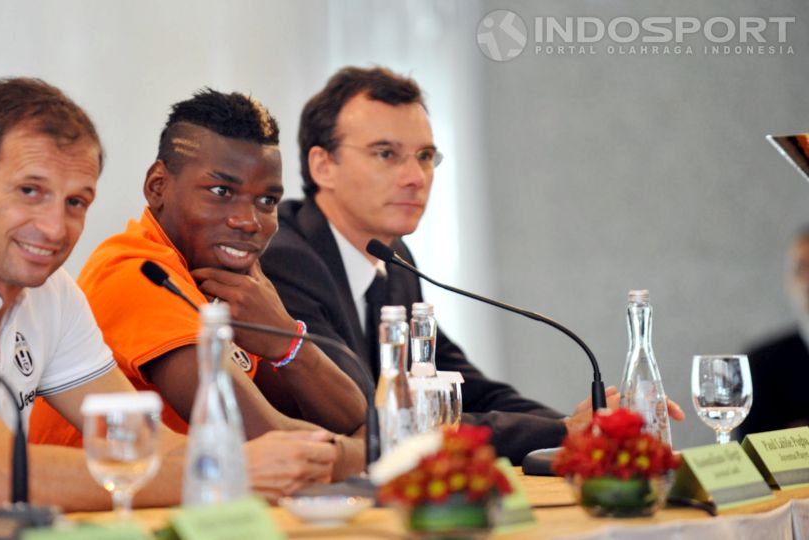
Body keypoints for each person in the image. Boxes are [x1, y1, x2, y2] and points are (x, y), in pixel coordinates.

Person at [0, 78, 334, 532]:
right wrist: (228, 470)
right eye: (30, 192)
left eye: (76, 202)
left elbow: (139, 440)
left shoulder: (49, 289)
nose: (56, 228)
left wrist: (240, 467)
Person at [261, 66, 685, 464]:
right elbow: (378, 415)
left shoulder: (396, 260)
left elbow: (467, 388)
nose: (415, 176)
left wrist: (587, 423)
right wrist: (562, 431)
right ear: (323, 165)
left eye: (426, 156)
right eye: (386, 154)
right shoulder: (286, 259)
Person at [28, 88, 366, 479]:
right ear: (158, 187)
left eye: (267, 201)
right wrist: (373, 452)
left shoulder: (222, 279)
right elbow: (261, 446)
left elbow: (347, 416)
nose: (248, 220)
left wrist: (286, 339)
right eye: (222, 192)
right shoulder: (138, 273)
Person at [737, 226, 809, 439]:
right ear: (789, 280)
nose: (808, 279)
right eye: (800, 268)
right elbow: (751, 453)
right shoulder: (761, 363)